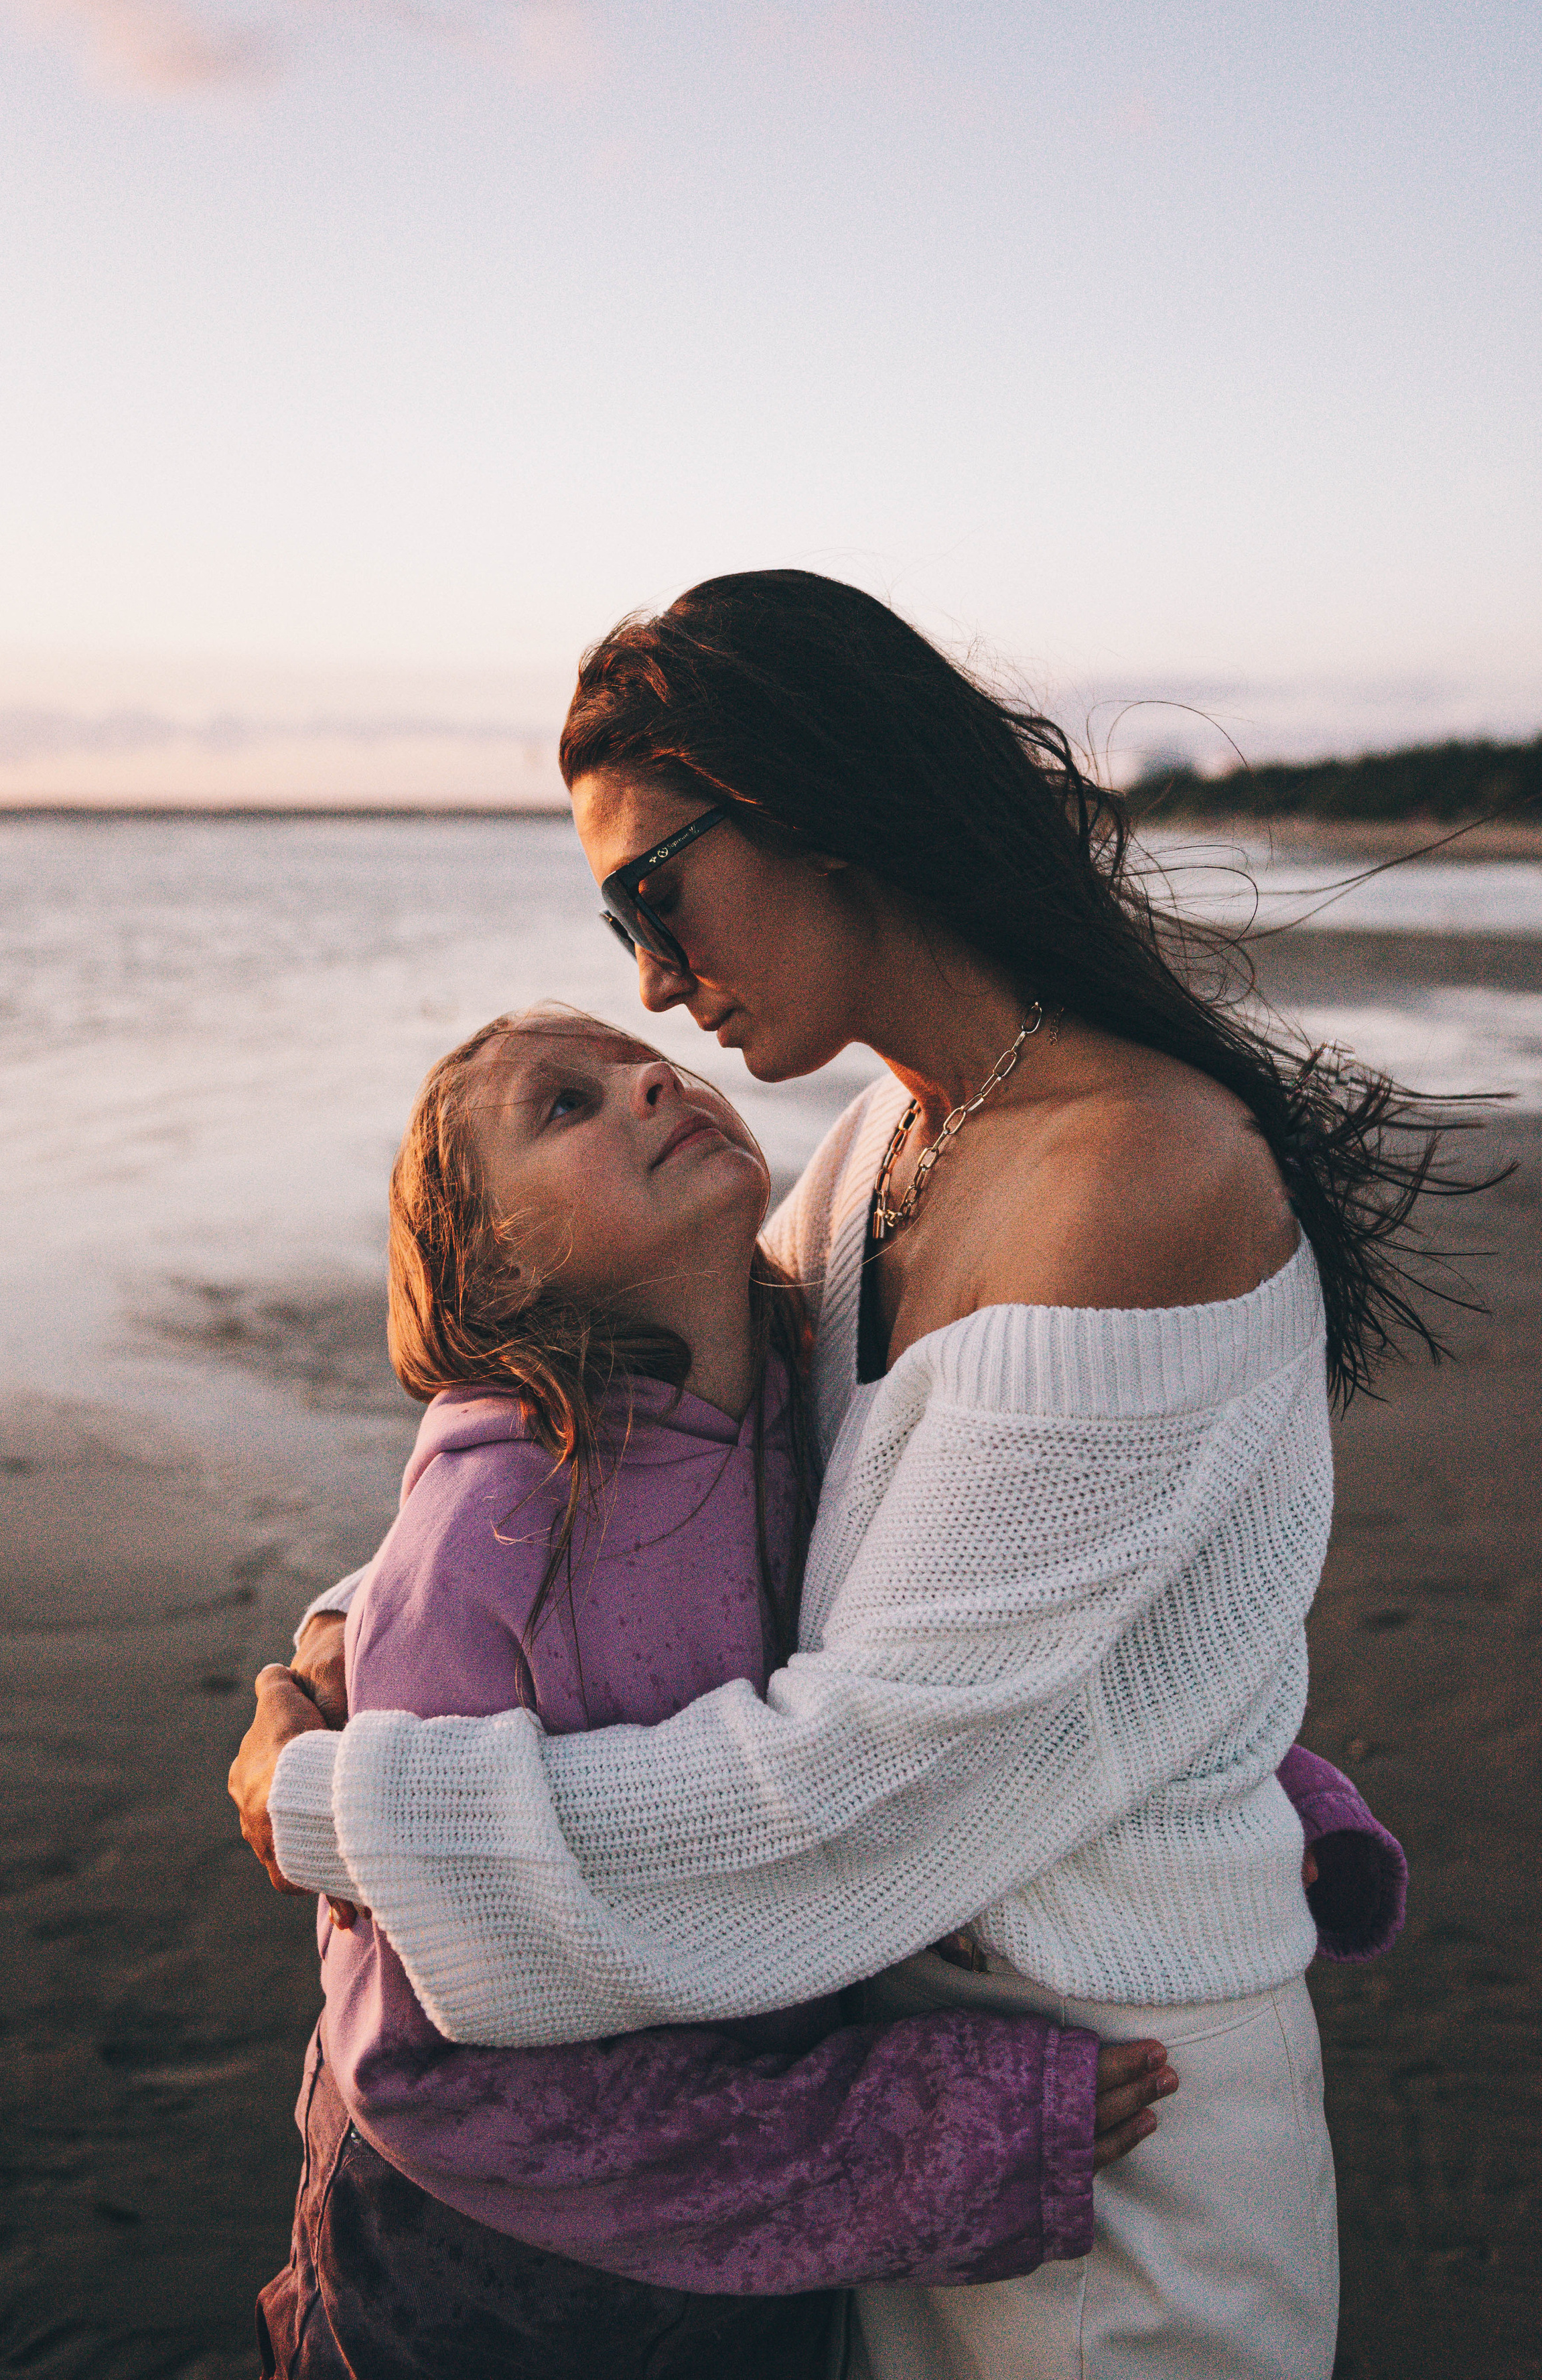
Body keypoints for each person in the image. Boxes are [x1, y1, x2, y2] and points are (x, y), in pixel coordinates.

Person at [235, 571, 1421, 2379]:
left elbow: (867, 1780)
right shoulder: (887, 1144)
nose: (644, 978)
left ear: (812, 800)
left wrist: (349, 1814)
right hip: (880, 2101)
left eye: (654, 889)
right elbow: (659, 1450)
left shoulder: (1141, 1176)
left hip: (1117, 2113)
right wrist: (349, 1638)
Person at [249, 1006, 1186, 2380]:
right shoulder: (489, 1532)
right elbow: (450, 2063)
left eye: (649, 1063)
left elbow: (1003, 1617)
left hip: (724, 2291)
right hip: (474, 2286)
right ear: (495, 1260)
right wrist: (928, 2128)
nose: (648, 1076)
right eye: (564, 1106)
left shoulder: (801, 1394)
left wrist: (1266, 1788)